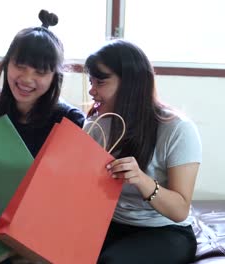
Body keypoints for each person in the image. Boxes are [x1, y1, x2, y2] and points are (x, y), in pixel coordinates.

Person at [83, 40, 202, 264]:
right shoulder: (96, 125)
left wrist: (141, 180)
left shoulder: (178, 129)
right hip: (110, 223)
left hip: (164, 230)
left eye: (100, 82)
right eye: (91, 81)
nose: (92, 90)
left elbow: (180, 210)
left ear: (131, 83)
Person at [0, 10, 85, 157]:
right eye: (20, 66)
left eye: (40, 72)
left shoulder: (70, 122)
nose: (26, 79)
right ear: (7, 64)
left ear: (55, 77)